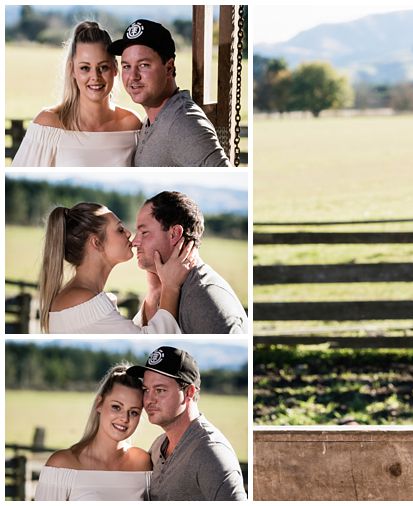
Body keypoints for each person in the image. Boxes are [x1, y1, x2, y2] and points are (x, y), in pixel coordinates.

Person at [38, 202, 194, 334]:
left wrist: (154, 292)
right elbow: (151, 342)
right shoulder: (82, 300)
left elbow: (130, 332)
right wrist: (170, 287)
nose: (128, 233)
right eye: (120, 229)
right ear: (96, 243)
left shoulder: (80, 297)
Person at [11, 21, 141, 167]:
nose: (95, 77)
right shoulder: (48, 125)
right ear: (72, 70)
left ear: (115, 69)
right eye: (85, 68)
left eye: (103, 67)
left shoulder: (132, 125)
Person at [126, 346, 247, 500]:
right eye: (146, 389)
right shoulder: (158, 446)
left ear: (189, 392)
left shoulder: (211, 453)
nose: (149, 400)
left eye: (160, 390)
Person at [109, 19, 231, 167]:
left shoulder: (184, 123)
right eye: (127, 66)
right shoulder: (152, 120)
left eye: (143, 65)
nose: (133, 76)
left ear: (169, 68)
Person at [132, 191, 249, 334]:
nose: (134, 242)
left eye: (144, 233)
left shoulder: (205, 299)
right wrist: (155, 293)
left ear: (174, 234)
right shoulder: (164, 289)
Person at [35, 364, 152, 500]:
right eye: (116, 407)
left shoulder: (142, 463)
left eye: (133, 412)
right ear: (99, 404)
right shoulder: (62, 465)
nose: (124, 418)